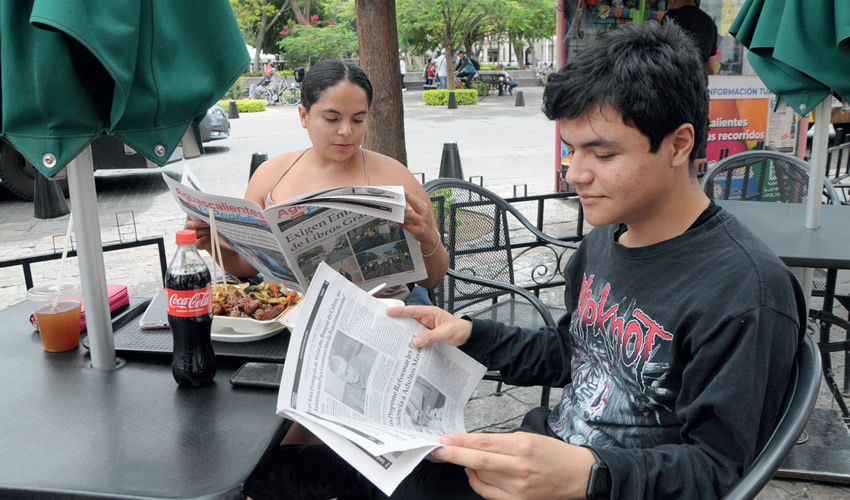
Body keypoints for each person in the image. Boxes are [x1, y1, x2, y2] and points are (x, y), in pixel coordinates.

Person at [244, 21, 806, 500]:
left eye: (601, 153)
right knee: (277, 473)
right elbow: (571, 353)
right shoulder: (607, 239)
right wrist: (467, 333)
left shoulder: (745, 291)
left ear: (679, 144)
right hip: (532, 465)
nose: (574, 173)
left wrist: (588, 476)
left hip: (588, 484)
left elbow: (724, 470)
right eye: (571, 149)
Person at [184, 59, 448, 304]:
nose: (346, 131)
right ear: (303, 116)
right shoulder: (270, 175)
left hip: (378, 321)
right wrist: (209, 242)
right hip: (285, 319)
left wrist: (427, 238)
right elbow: (249, 266)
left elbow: (433, 279)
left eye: (358, 119)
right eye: (332, 119)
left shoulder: (395, 176)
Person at [664, 0, 719, 174]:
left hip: (672, 91)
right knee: (698, 142)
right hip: (699, 92)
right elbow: (711, 65)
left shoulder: (669, 18)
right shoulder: (708, 22)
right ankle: (699, 188)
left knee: (668, 141)